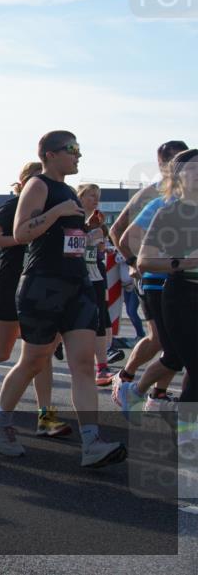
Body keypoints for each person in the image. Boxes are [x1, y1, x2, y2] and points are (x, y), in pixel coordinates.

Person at [0, 131, 125, 468]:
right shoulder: (39, 185)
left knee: (82, 365)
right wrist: (58, 212)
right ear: (49, 154)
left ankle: (91, 440)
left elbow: (66, 238)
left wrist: (85, 229)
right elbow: (21, 233)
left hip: (76, 285)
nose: (79, 155)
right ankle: (0, 420)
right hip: (42, 286)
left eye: (79, 149)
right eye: (72, 149)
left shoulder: (69, 193)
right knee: (33, 361)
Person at [0, 163, 71, 436]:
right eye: (34, 180)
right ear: (24, 183)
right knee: (3, 351)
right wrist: (22, 237)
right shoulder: (13, 206)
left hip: (40, 287)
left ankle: (45, 416)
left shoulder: (53, 208)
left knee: (41, 354)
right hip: (9, 283)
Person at [109, 141, 189, 410]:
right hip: (157, 281)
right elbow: (119, 232)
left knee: (181, 351)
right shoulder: (154, 196)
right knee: (166, 346)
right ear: (163, 165)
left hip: (185, 283)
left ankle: (158, 396)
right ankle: (128, 379)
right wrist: (133, 262)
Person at [133, 148, 198, 442]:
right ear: (178, 175)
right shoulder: (169, 211)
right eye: (192, 168)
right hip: (182, 295)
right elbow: (144, 260)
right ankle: (186, 435)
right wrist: (185, 262)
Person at [76, 184, 116, 386]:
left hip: (95, 274)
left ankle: (102, 367)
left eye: (97, 196)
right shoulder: (73, 217)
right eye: (91, 195)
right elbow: (73, 243)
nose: (95, 199)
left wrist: (103, 247)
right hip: (74, 275)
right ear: (80, 197)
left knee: (99, 318)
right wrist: (90, 232)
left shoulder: (99, 222)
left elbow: (97, 250)